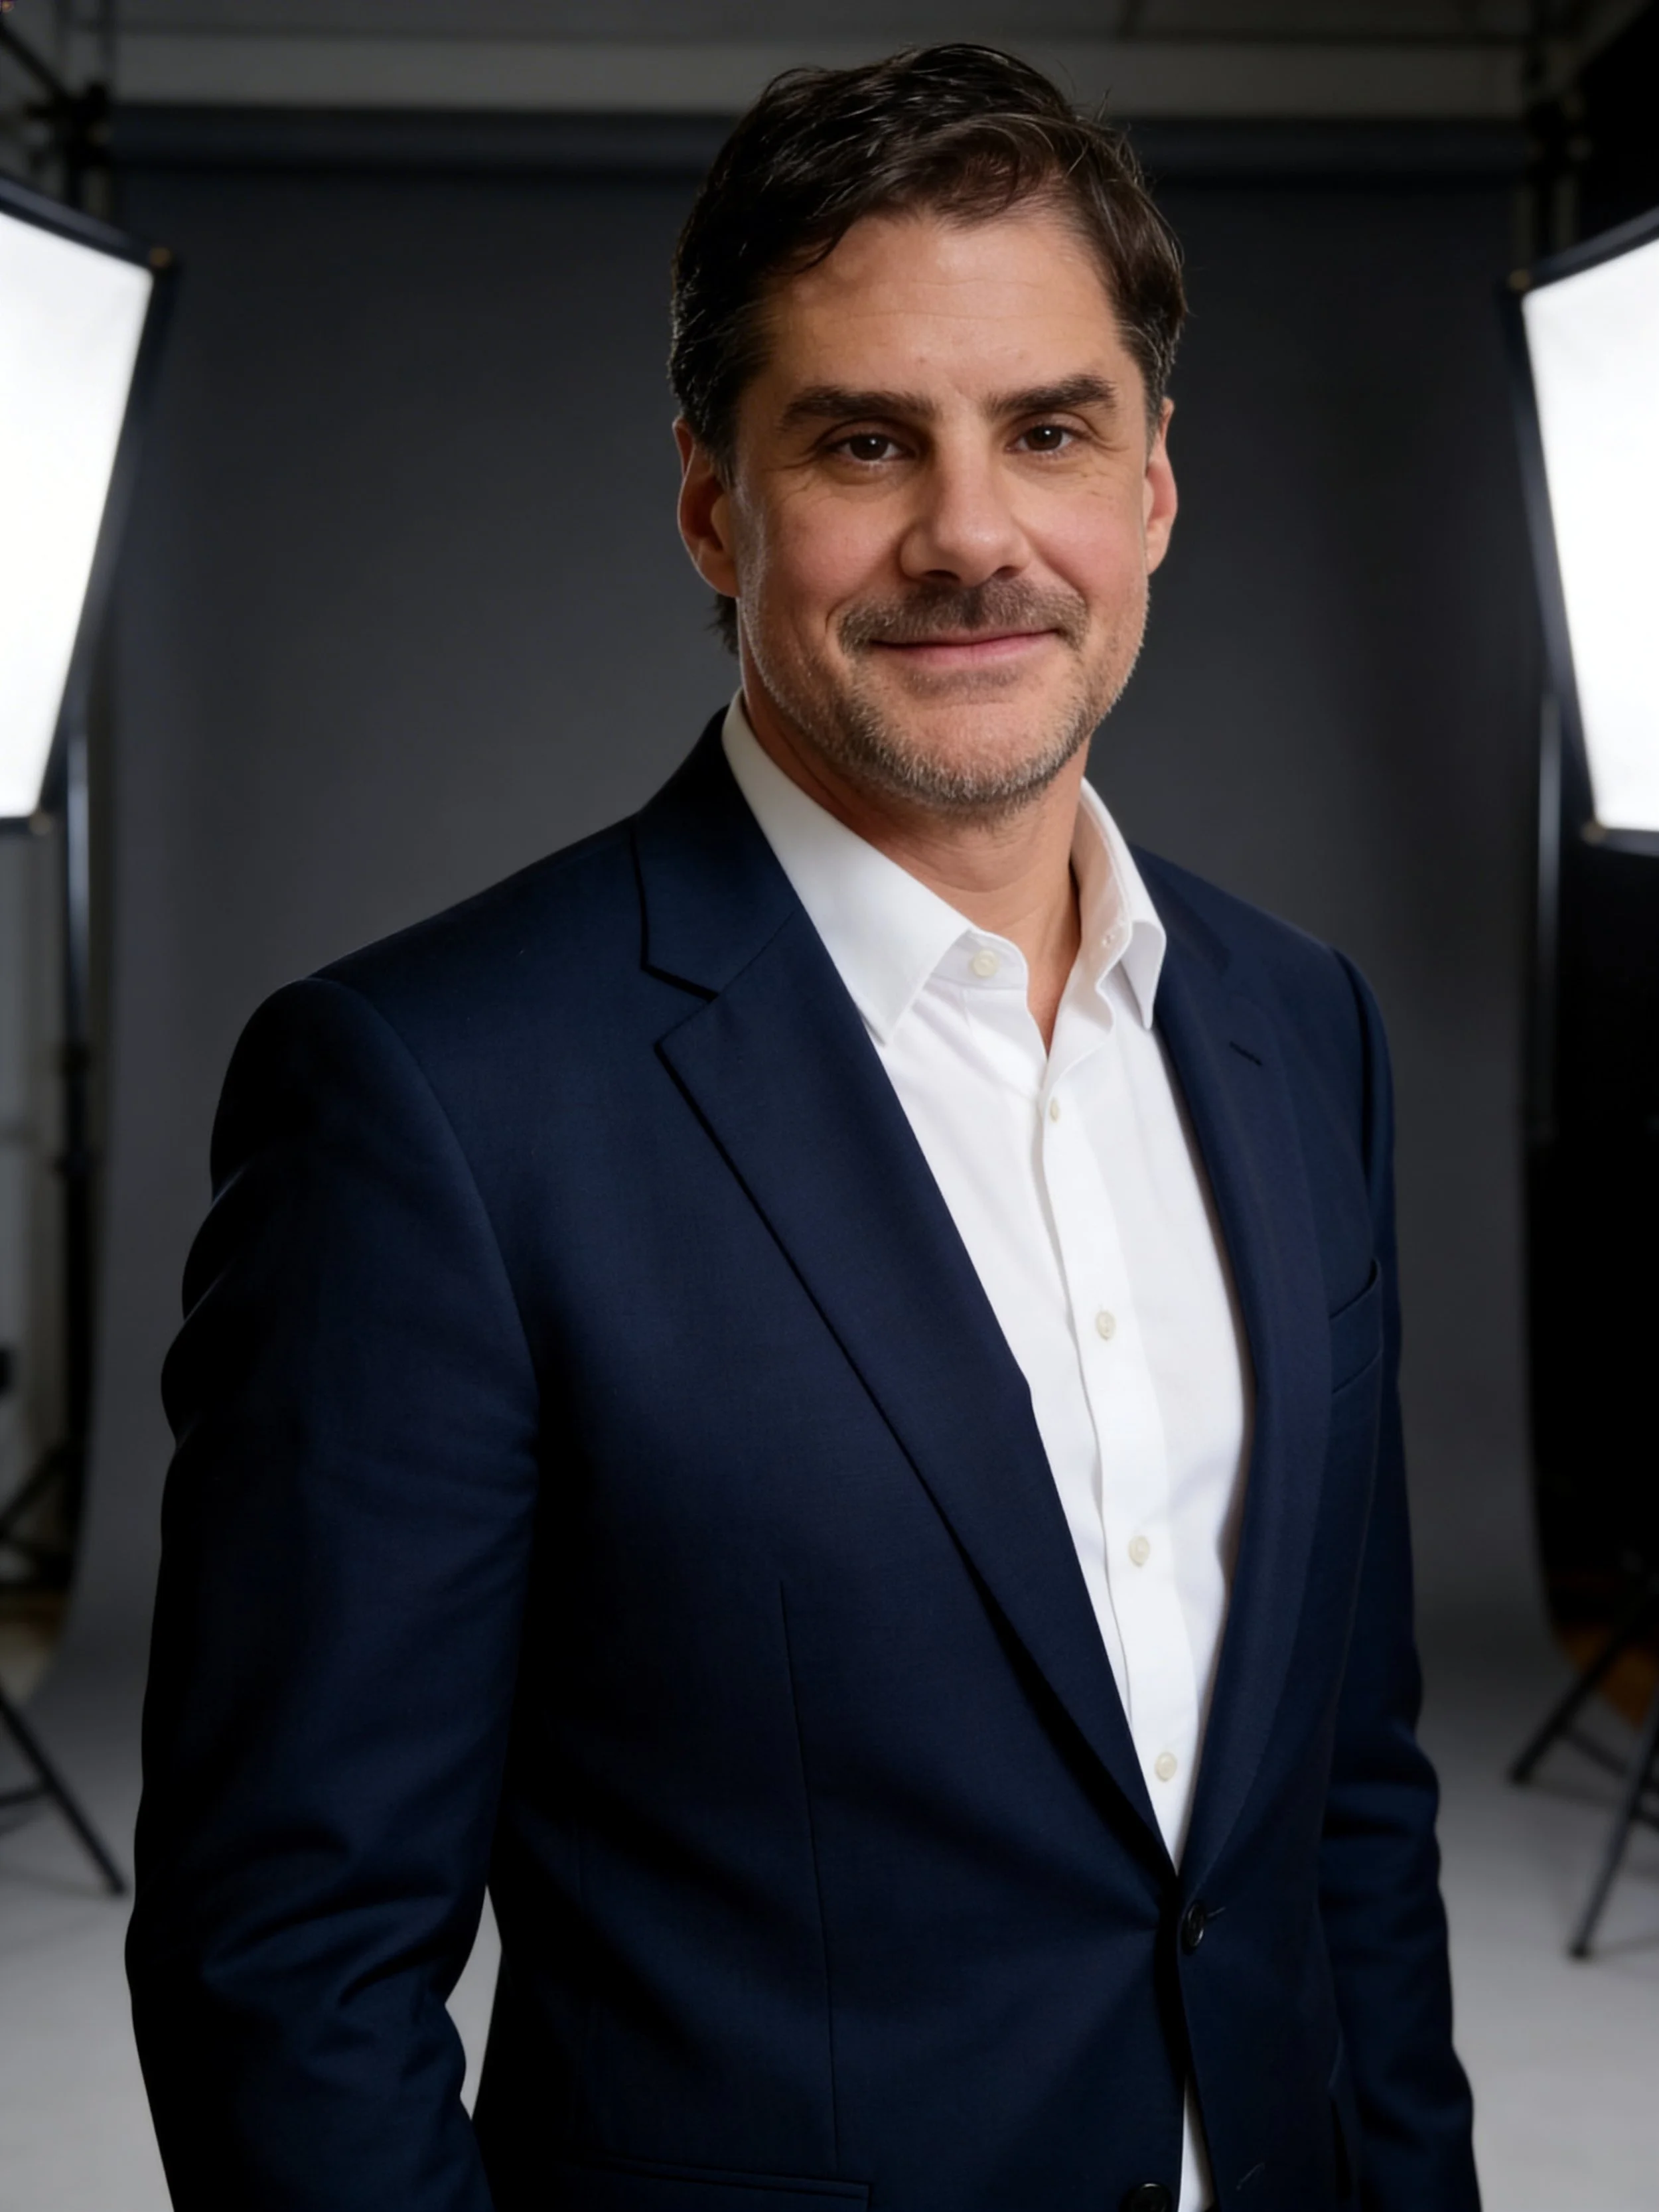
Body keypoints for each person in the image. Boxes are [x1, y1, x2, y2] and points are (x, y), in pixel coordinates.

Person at [127, 44, 1480, 2212]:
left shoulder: (1292, 1029)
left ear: (1147, 490)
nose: (971, 533)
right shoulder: (429, 1102)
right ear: (708, 502)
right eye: (864, 442)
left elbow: (1346, 1806)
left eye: (1048, 430)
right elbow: (283, 1966)